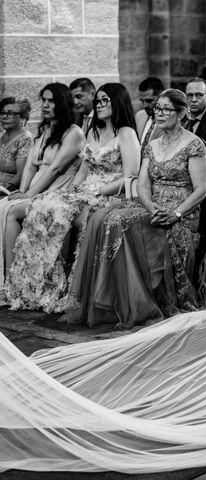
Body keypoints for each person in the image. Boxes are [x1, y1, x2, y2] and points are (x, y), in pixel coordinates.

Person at [61, 89, 206, 328]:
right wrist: (150, 206)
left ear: (181, 113)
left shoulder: (194, 144)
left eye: (165, 109)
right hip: (151, 205)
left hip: (182, 211)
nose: (159, 113)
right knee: (103, 217)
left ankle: (139, 302)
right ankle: (113, 300)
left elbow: (201, 189)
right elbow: (142, 183)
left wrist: (176, 213)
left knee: (120, 221)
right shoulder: (153, 144)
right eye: (157, 108)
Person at [5, 83, 140, 313]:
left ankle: (59, 287)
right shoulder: (93, 132)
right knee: (44, 207)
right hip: (84, 190)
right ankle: (34, 285)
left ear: (118, 102)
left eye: (105, 100)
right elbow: (83, 170)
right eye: (98, 101)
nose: (99, 104)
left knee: (57, 212)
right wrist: (73, 190)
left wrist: (99, 191)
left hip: (109, 193)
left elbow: (131, 175)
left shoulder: (125, 133)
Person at [0, 84, 84, 296]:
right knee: (5, 204)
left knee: (9, 212)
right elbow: (30, 165)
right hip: (37, 188)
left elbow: (55, 168)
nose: (45, 105)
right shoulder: (46, 131)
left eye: (51, 101)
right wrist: (21, 191)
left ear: (62, 103)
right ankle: (8, 278)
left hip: (56, 190)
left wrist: (29, 194)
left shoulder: (74, 133)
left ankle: (12, 282)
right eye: (44, 100)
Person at [0, 97, 32, 195]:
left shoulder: (25, 139)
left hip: (9, 192)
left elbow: (21, 175)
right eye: (2, 113)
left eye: (10, 114)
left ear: (22, 117)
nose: (4, 116)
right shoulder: (1, 135)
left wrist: (2, 190)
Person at [135, 77, 164, 149]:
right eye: (142, 101)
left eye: (149, 101)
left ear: (161, 97)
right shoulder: (139, 116)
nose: (144, 105)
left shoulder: (170, 120)